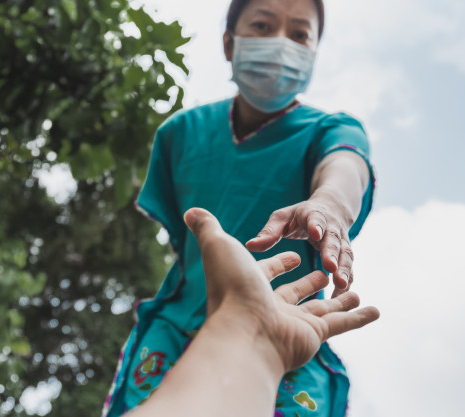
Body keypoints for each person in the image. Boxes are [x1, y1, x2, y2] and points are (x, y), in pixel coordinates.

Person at [102, 0, 376, 415]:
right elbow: (184, 239)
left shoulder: (332, 129)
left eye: (300, 34)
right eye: (263, 25)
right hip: (177, 334)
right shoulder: (180, 134)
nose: (281, 44)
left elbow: (346, 165)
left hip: (287, 333)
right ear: (229, 43)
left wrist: (331, 204)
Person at [126, 208, 380, 417]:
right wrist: (250, 332)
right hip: (177, 334)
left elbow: (345, 171)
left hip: (291, 352)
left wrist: (329, 203)